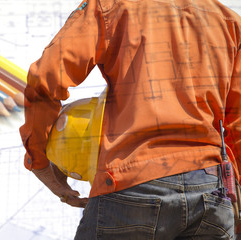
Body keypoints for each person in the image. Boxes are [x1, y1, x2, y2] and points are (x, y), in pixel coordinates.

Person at [19, 0, 241, 238]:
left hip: (132, 185)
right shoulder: (228, 21)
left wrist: (40, 161)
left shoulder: (109, 6)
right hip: (211, 190)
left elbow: (46, 80)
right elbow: (236, 122)